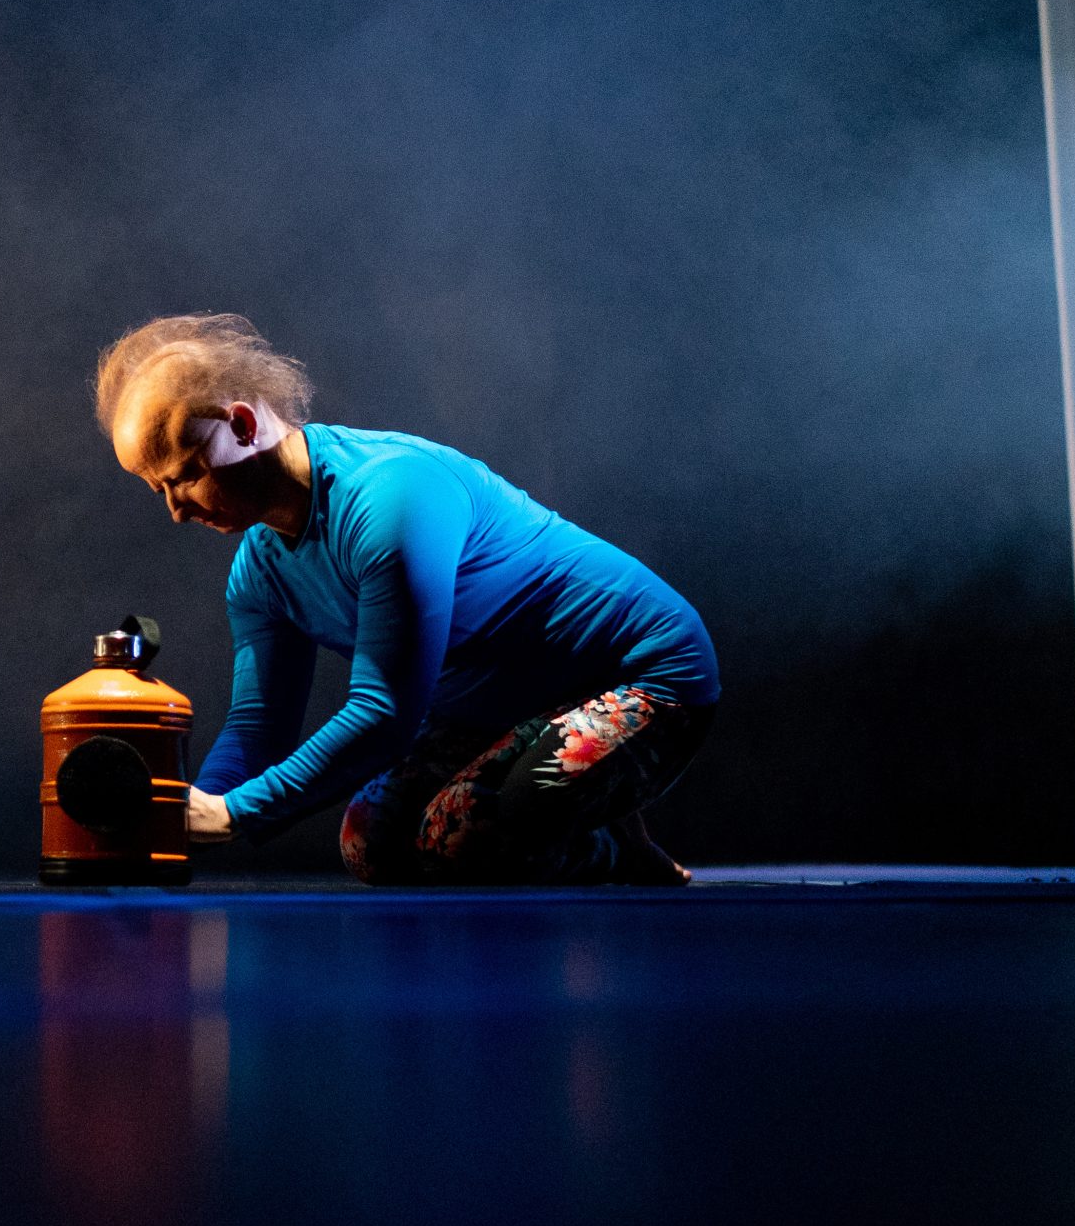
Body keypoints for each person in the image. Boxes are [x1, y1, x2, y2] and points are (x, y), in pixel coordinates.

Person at [97, 314, 716, 885]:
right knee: (372, 844)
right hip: (499, 710)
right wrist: (188, 817)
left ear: (242, 425)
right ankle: (577, 813)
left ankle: (614, 849)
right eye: (159, 491)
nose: (177, 511)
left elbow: (386, 712)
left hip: (647, 677)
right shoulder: (259, 572)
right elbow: (260, 726)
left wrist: (234, 815)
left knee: (464, 836)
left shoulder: (393, 498)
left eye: (184, 477)